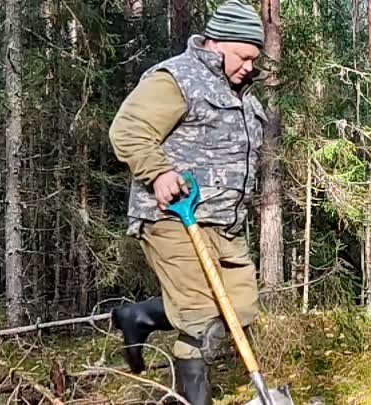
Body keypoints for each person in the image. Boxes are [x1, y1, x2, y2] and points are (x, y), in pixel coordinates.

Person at [107, 2, 267, 404]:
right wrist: (158, 173)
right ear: (219, 41)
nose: (250, 66)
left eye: (255, 58)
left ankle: (139, 315)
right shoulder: (177, 78)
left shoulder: (242, 95)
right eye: (245, 56)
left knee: (242, 309)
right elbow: (127, 130)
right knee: (202, 318)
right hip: (174, 217)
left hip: (222, 224)